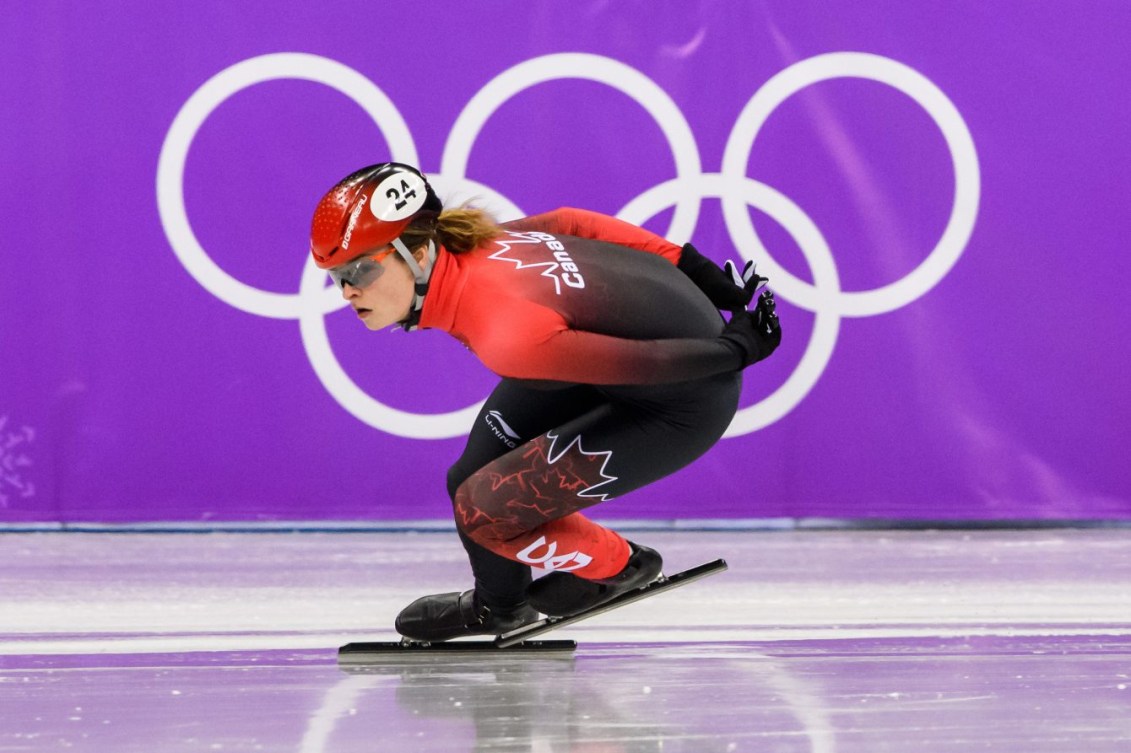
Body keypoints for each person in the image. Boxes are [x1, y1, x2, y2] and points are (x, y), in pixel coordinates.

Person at [309, 162, 781, 642]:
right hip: (614, 354)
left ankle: (623, 565)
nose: (348, 290)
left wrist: (734, 352)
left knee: (485, 509)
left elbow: (644, 363)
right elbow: (571, 222)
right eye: (336, 276)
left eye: (361, 268)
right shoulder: (481, 248)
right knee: (466, 478)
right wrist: (692, 266)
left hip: (683, 399)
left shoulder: (505, 332)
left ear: (421, 256)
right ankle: (500, 607)